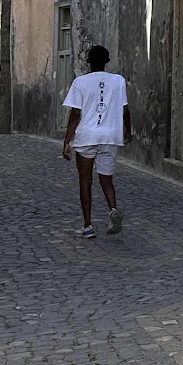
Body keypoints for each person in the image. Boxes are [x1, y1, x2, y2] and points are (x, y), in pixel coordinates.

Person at [62, 44, 129, 238]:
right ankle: (113, 209)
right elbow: (124, 110)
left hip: (87, 136)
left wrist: (67, 140)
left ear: (88, 62)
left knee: (85, 180)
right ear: (107, 62)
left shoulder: (80, 82)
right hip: (110, 135)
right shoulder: (118, 81)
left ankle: (88, 226)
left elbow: (75, 113)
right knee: (106, 179)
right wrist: (128, 131)